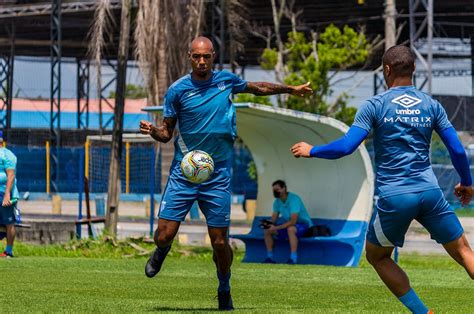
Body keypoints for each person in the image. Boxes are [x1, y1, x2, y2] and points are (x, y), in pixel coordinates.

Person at [291, 45, 473, 314]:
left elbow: (346, 147)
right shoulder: (431, 105)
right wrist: (466, 182)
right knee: (463, 251)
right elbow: (457, 149)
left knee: (377, 256)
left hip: (395, 196)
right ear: (413, 70)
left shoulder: (375, 105)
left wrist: (312, 151)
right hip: (430, 192)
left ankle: (424, 313)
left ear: (386, 70)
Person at [140, 36, 312, 310]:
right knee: (163, 234)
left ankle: (224, 285)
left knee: (220, 242)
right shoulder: (177, 90)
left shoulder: (225, 81)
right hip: (184, 173)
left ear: (213, 56)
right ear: (189, 56)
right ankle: (161, 251)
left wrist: (289, 89)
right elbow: (166, 133)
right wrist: (153, 131)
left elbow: (258, 87)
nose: (201, 61)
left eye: (206, 56)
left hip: (217, 174)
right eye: (197, 56)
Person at [263, 180, 313, 264]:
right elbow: (274, 220)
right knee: (267, 230)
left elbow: (293, 221)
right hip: (289, 225)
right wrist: (267, 224)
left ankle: (293, 258)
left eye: (277, 189)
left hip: (304, 225)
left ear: (284, 189)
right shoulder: (277, 202)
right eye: (274, 190)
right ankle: (270, 257)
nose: (275, 191)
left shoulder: (294, 199)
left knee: (291, 229)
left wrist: (276, 227)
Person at [0, 131, 19, 258]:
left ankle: (9, 251)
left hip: (4, 193)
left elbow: (11, 176)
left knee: (8, 222)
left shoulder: (7, 155)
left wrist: (7, 194)